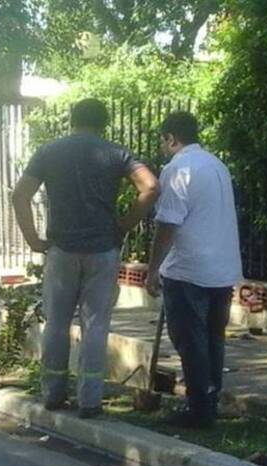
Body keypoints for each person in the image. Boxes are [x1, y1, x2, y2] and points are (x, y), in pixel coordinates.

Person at [12, 98, 159, 419]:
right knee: (95, 325)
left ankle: (53, 393)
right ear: (104, 123)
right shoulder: (116, 153)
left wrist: (33, 239)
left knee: (57, 323)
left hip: (61, 250)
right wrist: (124, 224)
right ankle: (90, 400)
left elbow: (20, 195)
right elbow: (150, 187)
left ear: (72, 120)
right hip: (103, 250)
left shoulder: (49, 152)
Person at [145, 111, 242, 429]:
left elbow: (167, 224)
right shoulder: (217, 165)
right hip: (221, 268)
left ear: (171, 138)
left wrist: (153, 269)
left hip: (188, 269)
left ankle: (198, 407)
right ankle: (209, 399)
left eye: (163, 141)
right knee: (213, 337)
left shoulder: (178, 168)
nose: (163, 147)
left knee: (190, 339)